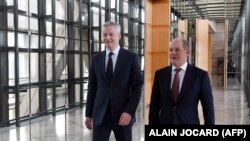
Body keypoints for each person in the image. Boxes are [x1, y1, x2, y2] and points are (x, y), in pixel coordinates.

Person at [85, 21, 143, 141]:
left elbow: (137, 87)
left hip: (123, 115)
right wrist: (88, 114)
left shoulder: (131, 58)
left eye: (111, 34)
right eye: (105, 35)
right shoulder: (96, 59)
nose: (108, 38)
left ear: (119, 36)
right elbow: (92, 88)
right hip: (100, 115)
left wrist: (129, 111)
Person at [148, 38, 215, 125]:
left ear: (187, 52)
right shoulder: (160, 74)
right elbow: (154, 106)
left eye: (177, 49)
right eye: (171, 50)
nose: (173, 53)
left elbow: (208, 108)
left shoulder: (200, 75)